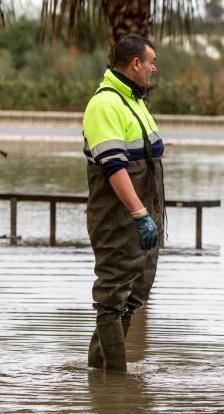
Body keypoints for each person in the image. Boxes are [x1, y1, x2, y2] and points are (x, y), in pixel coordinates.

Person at [82, 34, 165, 372]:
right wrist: (139, 214)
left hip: (142, 220)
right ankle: (114, 383)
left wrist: (151, 218)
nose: (153, 68)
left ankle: (99, 369)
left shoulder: (133, 101)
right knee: (111, 301)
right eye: (150, 62)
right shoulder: (105, 105)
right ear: (135, 64)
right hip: (118, 221)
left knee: (131, 297)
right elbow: (114, 166)